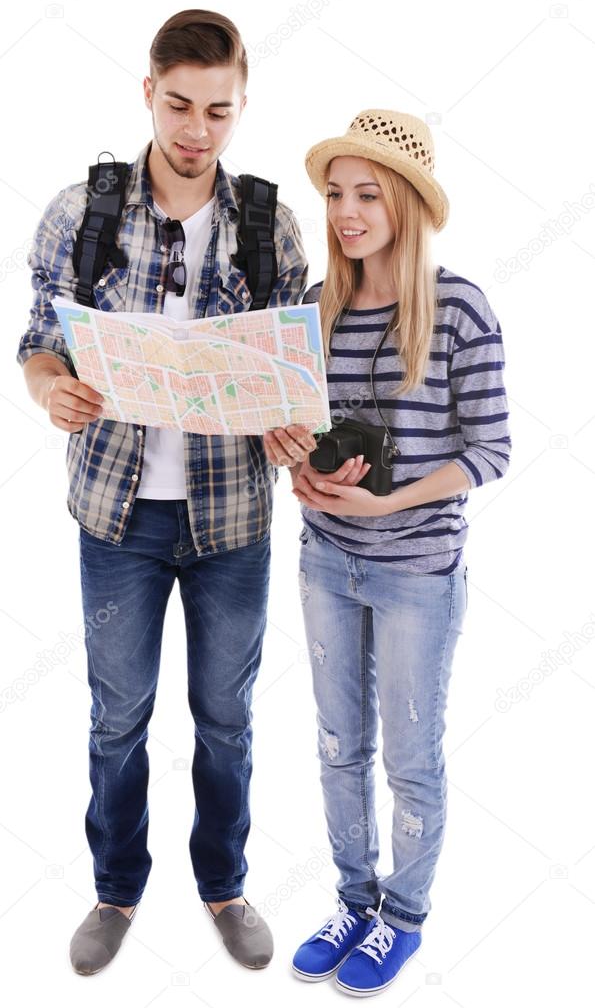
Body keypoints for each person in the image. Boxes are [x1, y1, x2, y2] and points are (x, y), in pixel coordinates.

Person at [16, 9, 312, 975]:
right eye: (178, 104)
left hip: (233, 521)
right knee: (118, 715)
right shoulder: (82, 210)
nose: (196, 129)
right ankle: (116, 886)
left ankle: (223, 883)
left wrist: (290, 424)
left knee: (226, 718)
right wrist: (52, 388)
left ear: (238, 106)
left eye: (217, 111)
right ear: (147, 92)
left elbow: (297, 379)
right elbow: (38, 341)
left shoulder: (270, 223)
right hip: (117, 516)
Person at [264, 109, 511, 996]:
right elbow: (295, 438)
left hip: (417, 571)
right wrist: (296, 466)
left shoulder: (458, 309)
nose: (345, 212)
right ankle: (352, 900)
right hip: (325, 559)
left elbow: (489, 451)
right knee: (337, 744)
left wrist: (387, 499)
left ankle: (401, 918)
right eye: (334, 194)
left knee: (409, 756)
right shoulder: (315, 313)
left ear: (406, 202)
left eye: (366, 194)